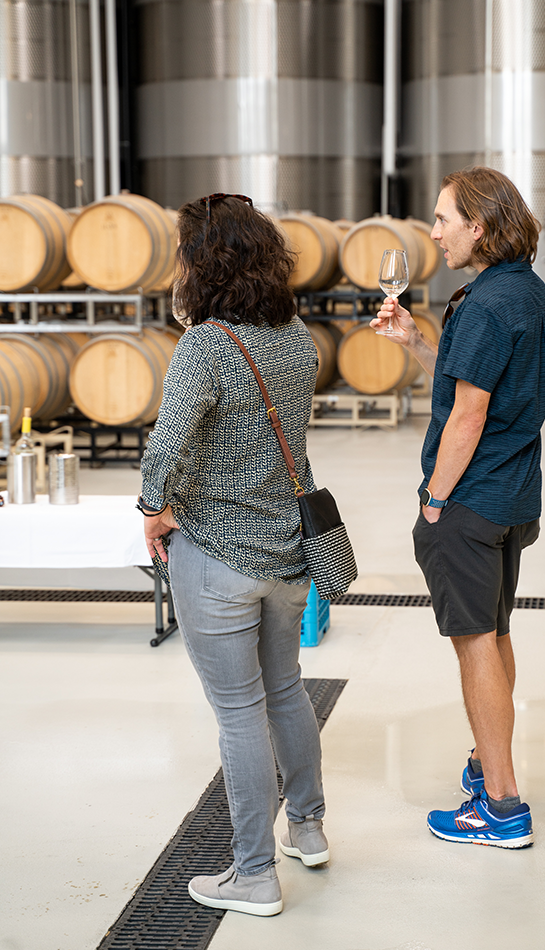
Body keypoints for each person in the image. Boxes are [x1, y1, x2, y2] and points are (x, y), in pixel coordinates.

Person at [137, 193, 329, 917]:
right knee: (285, 691)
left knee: (239, 712)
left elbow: (167, 445)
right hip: (287, 555)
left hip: (217, 558)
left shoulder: (207, 344)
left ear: (201, 263)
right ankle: (306, 827)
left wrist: (153, 509)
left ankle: (252, 873)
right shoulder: (295, 337)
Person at [371, 167, 545, 848]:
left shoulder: (483, 305)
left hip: (472, 501)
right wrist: (416, 342)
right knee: (496, 631)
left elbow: (466, 417)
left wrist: (434, 500)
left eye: (444, 218)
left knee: (473, 640)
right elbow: (465, 387)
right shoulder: (526, 291)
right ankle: (486, 766)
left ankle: (503, 807)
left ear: (479, 226)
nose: (434, 231)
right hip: (514, 494)